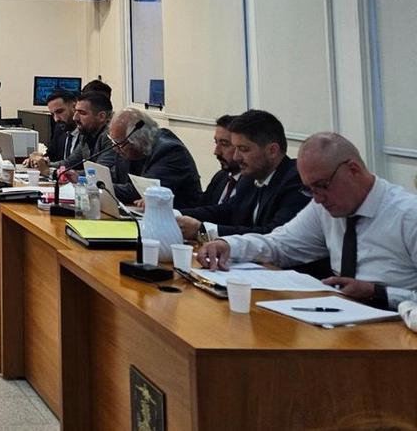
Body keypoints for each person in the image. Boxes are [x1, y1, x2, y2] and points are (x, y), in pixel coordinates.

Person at [197, 132, 417, 309]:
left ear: (353, 170)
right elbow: (280, 245)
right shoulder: (324, 208)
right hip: (341, 319)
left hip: (398, 331)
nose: (318, 198)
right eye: (309, 189)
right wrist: (228, 245)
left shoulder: (407, 216)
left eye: (322, 186)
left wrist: (378, 293)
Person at [177, 110, 309, 239]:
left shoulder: (296, 180)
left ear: (272, 151)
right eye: (235, 148)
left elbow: (274, 235)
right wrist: (175, 214)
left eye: (244, 150)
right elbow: (227, 211)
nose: (236, 157)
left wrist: (203, 231)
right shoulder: (251, 177)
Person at [109, 107, 202, 208]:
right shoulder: (126, 149)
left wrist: (101, 186)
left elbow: (144, 191)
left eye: (119, 143)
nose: (115, 148)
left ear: (139, 140)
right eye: (113, 141)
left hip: (178, 219)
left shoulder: (170, 151)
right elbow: (118, 180)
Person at [25, 91, 118, 175]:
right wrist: (43, 163)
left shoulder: (112, 137)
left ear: (101, 117)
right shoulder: (86, 134)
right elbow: (69, 162)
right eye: (76, 112)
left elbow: (99, 174)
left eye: (82, 113)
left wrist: (51, 172)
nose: (75, 118)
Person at [200, 114, 241, 206]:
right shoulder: (220, 177)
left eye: (224, 144)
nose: (216, 152)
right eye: (216, 142)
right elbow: (203, 209)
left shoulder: (253, 185)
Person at [43, 88, 79, 162]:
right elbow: (51, 155)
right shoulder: (59, 129)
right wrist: (38, 159)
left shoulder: (87, 132)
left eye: (59, 112)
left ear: (74, 107)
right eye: (53, 114)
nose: (56, 119)